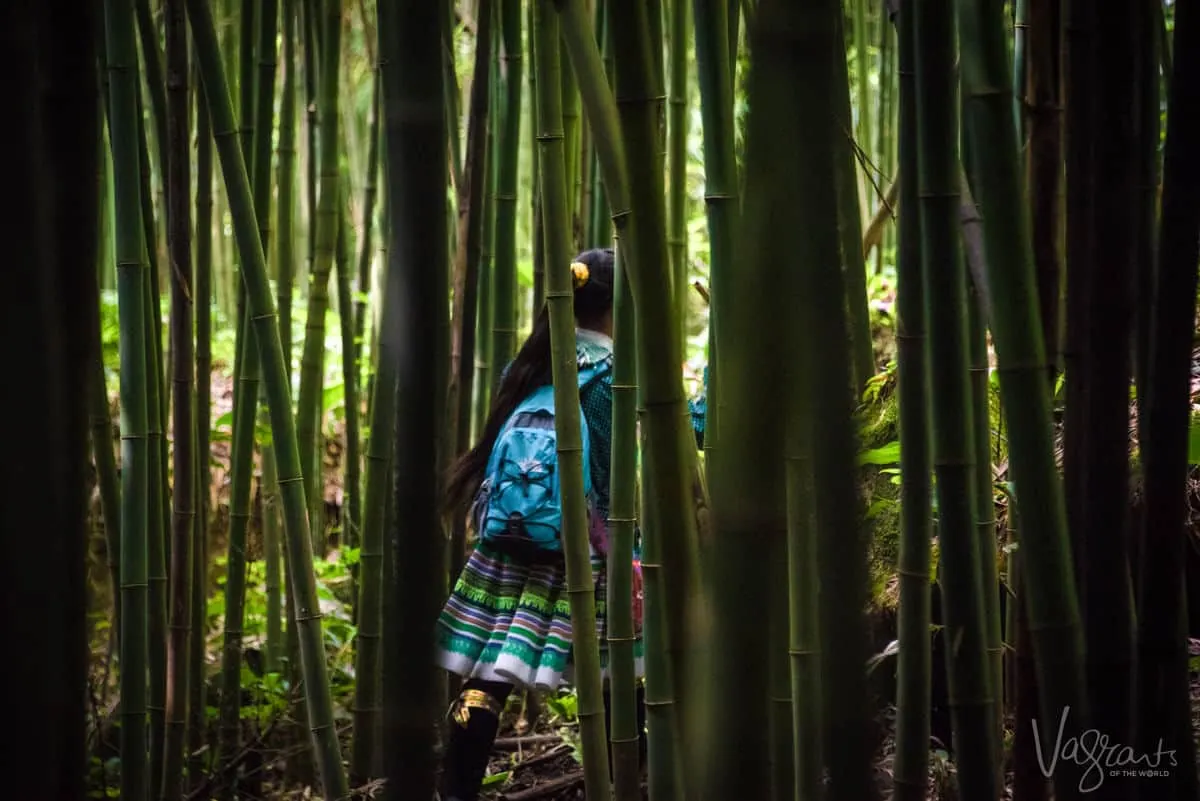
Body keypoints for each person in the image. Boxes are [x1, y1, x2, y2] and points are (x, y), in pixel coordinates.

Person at [435, 248, 646, 801]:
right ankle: (630, 780)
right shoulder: (613, 378)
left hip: (506, 543)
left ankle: (454, 792)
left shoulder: (528, 365)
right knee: (631, 670)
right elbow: (611, 472)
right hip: (581, 550)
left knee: (487, 675)